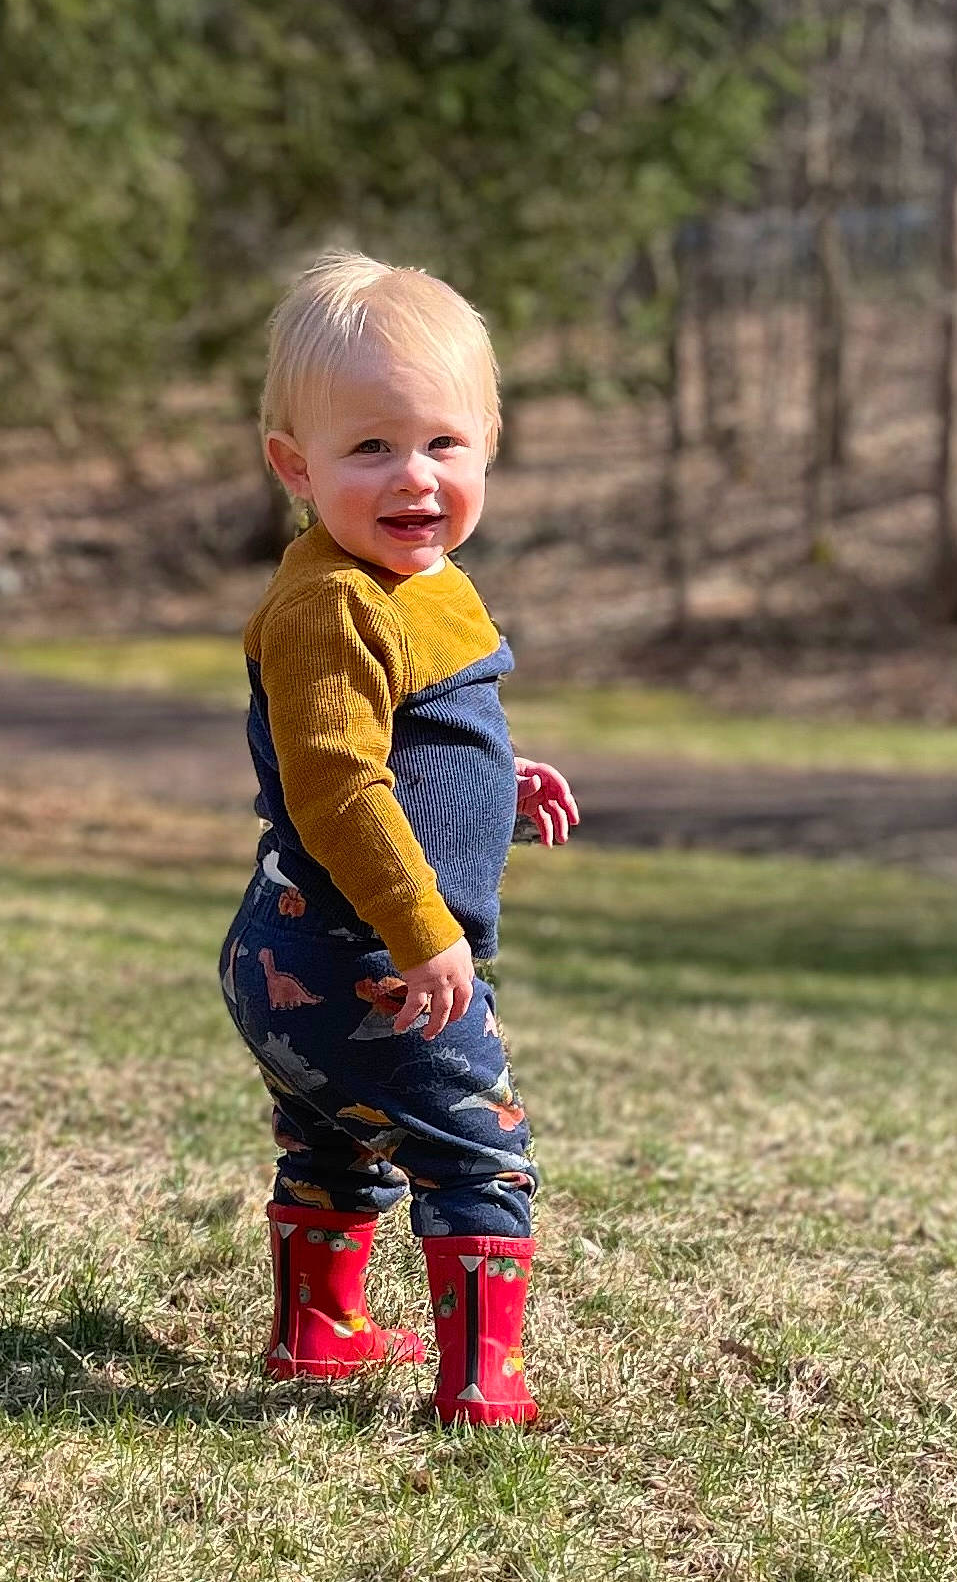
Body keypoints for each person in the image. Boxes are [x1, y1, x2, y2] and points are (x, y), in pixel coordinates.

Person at [218, 251, 579, 1425]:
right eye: (368, 448)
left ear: (488, 444)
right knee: (476, 1147)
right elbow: (335, 783)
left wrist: (487, 778)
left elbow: (404, 742)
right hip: (356, 949)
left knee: (341, 1144)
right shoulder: (334, 599)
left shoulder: (419, 582)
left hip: (318, 954)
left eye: (441, 443)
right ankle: (484, 1381)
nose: (412, 476)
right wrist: (421, 931)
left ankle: (319, 1333)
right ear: (296, 466)